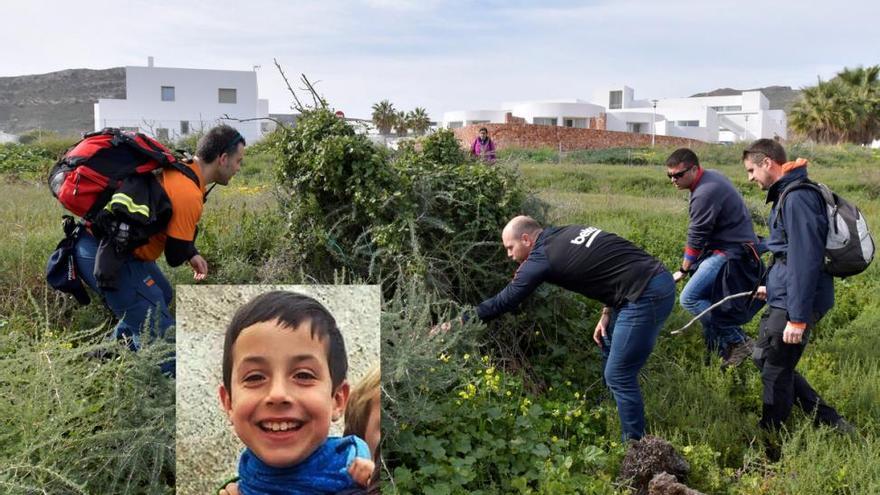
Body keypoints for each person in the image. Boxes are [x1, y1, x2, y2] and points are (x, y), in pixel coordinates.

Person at [468, 215, 675, 441]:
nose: (509, 255)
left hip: (645, 295)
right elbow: (612, 265)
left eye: (510, 247)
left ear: (526, 239)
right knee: (607, 340)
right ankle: (609, 406)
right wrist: (607, 312)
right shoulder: (564, 233)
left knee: (619, 375)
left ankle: (635, 447)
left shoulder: (541, 258)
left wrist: (462, 320)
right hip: (651, 280)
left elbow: (504, 301)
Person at [73, 125, 245, 374]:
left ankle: (107, 363)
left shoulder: (182, 167)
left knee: (161, 294)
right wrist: (185, 249)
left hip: (106, 246)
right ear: (223, 159)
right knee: (166, 345)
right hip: (107, 255)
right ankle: (160, 394)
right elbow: (174, 256)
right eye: (238, 161)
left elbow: (162, 215)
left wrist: (191, 252)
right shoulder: (189, 193)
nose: (239, 168)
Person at [741, 139, 853, 438]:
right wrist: (770, 285)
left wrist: (798, 317)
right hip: (785, 294)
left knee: (775, 369)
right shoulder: (788, 194)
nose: (750, 178)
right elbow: (787, 254)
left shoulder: (798, 197)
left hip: (797, 300)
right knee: (767, 359)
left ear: (767, 162)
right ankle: (829, 421)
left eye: (752, 170)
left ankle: (772, 439)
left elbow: (806, 258)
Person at [217, 291, 374, 494]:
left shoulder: (360, 473)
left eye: (303, 375)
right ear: (229, 403)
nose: (278, 394)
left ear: (337, 399)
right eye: (254, 377)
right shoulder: (236, 488)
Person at [666, 148, 763, 367]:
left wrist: (683, 269)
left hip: (731, 252)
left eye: (678, 175)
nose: (674, 180)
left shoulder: (705, 192)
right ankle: (718, 353)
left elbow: (697, 235)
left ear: (694, 169)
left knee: (689, 298)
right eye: (670, 175)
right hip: (732, 247)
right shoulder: (710, 177)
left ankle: (739, 341)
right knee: (708, 300)